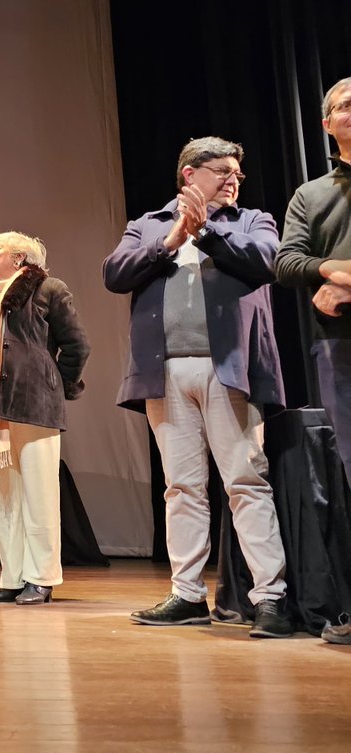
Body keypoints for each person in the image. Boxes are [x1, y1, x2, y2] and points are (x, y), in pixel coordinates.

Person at [103, 136, 292, 639]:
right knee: (182, 488)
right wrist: (171, 240)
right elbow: (115, 273)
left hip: (228, 370)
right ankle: (187, 594)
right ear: (190, 174)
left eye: (238, 173)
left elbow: (267, 259)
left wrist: (204, 230)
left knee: (245, 482)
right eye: (223, 171)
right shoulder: (148, 225)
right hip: (164, 374)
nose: (234, 180)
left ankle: (270, 598)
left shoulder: (251, 221)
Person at [0, 232, 89, 606]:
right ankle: (13, 575)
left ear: (19, 259)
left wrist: (55, 384)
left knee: (39, 495)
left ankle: (41, 577)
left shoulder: (48, 289)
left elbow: (77, 345)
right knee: (4, 499)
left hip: (34, 407)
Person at [273, 77, 351, 644]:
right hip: (341, 345)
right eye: (345, 106)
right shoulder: (312, 194)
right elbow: (287, 262)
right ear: (327, 124)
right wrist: (329, 271)